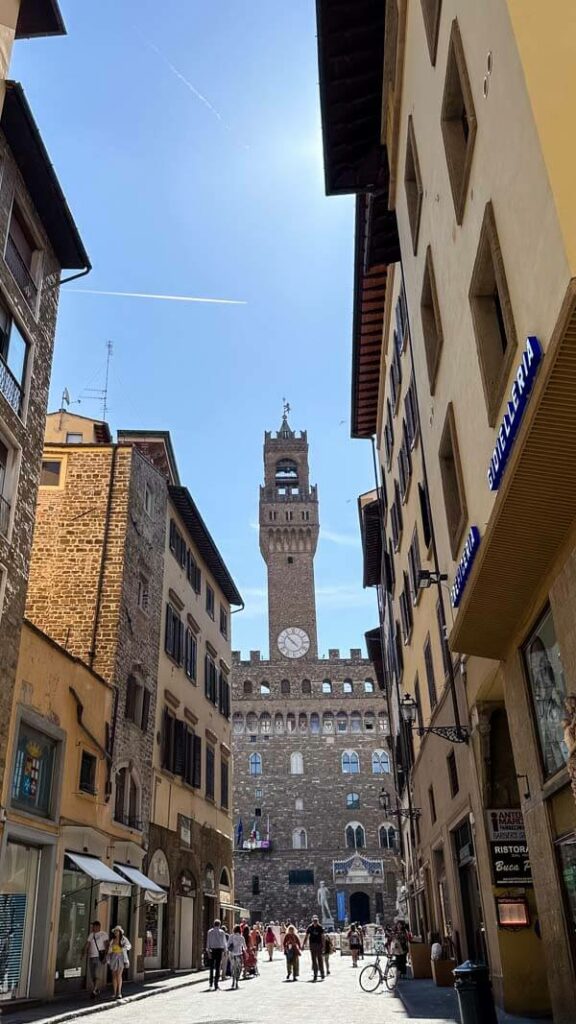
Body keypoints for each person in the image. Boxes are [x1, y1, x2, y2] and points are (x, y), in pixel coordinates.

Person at [84, 920, 108, 999]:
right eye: (92, 926)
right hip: (91, 957)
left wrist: (105, 956)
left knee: (97, 974)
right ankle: (96, 988)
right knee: (93, 975)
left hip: (99, 957)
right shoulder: (91, 935)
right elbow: (87, 944)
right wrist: (83, 953)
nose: (92, 928)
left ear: (98, 926)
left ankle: (94, 991)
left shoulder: (103, 934)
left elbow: (106, 946)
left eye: (94, 926)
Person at [107, 926, 131, 1001]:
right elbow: (109, 951)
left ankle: (119, 992)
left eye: (117, 931)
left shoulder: (124, 939)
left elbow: (129, 946)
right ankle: (114, 993)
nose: (116, 932)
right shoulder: (112, 940)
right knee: (114, 975)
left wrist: (123, 948)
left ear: (120, 932)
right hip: (114, 957)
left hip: (121, 958)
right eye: (115, 931)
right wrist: (108, 956)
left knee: (119, 975)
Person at [206, 918, 227, 990]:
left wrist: (208, 951)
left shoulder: (209, 932)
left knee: (211, 967)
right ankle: (216, 984)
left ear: (214, 924)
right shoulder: (222, 932)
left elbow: (208, 942)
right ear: (220, 925)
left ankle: (210, 983)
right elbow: (224, 942)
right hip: (219, 950)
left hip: (212, 950)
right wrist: (225, 951)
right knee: (218, 967)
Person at [303, 914, 325, 981]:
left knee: (320, 959)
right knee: (314, 960)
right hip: (312, 944)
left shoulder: (320, 927)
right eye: (314, 921)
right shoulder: (310, 927)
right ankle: (315, 974)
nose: (315, 922)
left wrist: (323, 945)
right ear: (312, 921)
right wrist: (303, 944)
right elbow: (306, 936)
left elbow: (322, 937)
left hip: (318, 944)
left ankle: (322, 973)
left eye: (316, 921)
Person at [227, 925, 246, 990]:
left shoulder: (231, 936)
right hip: (239, 954)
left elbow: (228, 945)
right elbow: (245, 947)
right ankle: (237, 982)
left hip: (232, 954)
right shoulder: (242, 937)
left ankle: (233, 981)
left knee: (233, 968)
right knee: (239, 969)